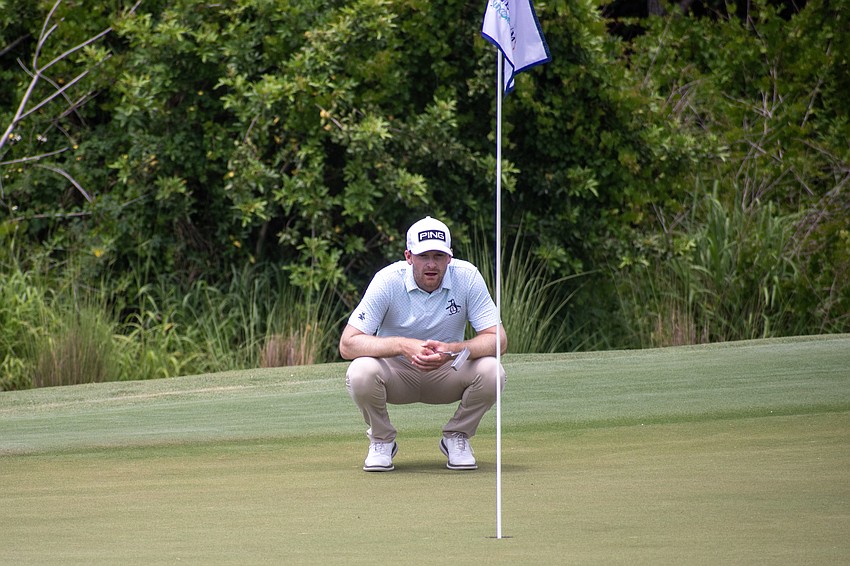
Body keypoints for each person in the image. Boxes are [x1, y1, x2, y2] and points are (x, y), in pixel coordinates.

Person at [339, 216, 507, 472]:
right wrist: (404, 346)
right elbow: (348, 345)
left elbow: (499, 340)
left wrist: (451, 350)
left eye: (439, 256)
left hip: (448, 372)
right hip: (396, 374)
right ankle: (381, 440)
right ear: (408, 256)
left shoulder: (467, 276)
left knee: (493, 371)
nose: (431, 264)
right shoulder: (387, 280)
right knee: (360, 371)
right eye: (423, 255)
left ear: (449, 257)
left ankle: (457, 436)